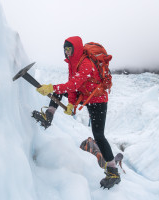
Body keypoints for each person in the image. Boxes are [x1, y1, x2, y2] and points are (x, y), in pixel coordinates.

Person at [33, 36, 121, 189]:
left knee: (98, 135)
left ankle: (113, 171)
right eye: (65, 50)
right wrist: (71, 104)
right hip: (85, 96)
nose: (67, 52)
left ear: (76, 48)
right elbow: (72, 86)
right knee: (58, 92)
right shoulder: (72, 63)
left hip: (98, 101)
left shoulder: (86, 63)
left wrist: (52, 88)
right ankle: (48, 117)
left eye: (69, 49)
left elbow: (73, 83)